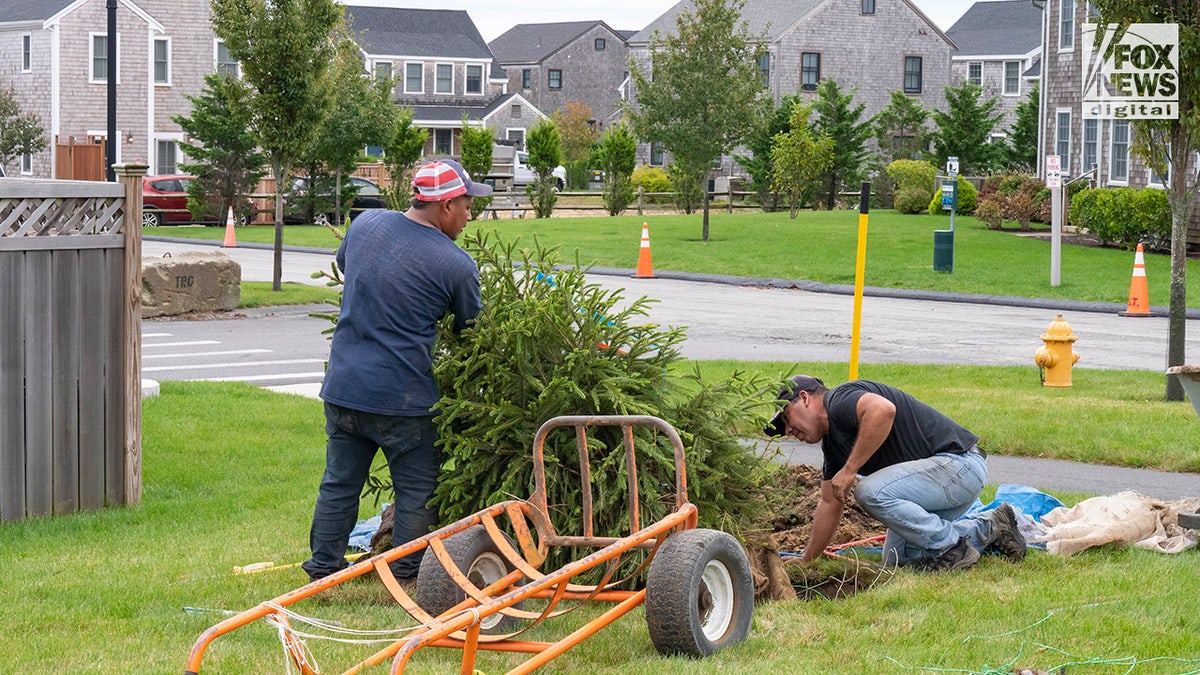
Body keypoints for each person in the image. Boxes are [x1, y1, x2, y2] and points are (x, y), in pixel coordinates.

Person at [302, 159, 489, 583]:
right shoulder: (455, 264)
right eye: (466, 204)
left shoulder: (366, 225)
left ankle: (322, 570)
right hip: (406, 401)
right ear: (444, 207)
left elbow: (348, 267)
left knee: (339, 483)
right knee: (418, 491)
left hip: (345, 388)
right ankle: (405, 573)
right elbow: (474, 332)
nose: (470, 214)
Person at [765, 375, 1026, 572]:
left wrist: (850, 470)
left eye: (787, 419)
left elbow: (883, 410)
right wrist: (807, 559)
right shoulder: (832, 445)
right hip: (938, 486)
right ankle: (992, 526)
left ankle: (951, 546)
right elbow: (829, 502)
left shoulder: (840, 400)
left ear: (804, 398)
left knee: (868, 491)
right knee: (898, 557)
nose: (788, 431)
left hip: (959, 466)